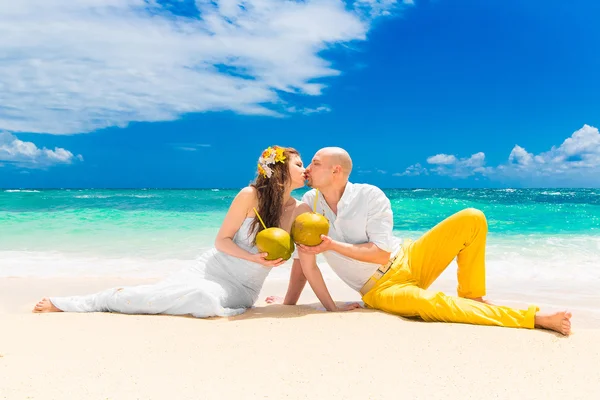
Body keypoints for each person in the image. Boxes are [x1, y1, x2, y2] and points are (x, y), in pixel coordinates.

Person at [268, 147, 572, 335]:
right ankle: (533, 318)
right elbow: (303, 259)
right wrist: (287, 305)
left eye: (316, 163)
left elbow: (381, 254)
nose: (308, 169)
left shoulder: (370, 195)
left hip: (410, 256)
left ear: (336, 171)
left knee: (472, 216)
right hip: (382, 289)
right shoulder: (310, 203)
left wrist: (331, 246)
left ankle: (473, 296)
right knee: (435, 306)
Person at [33, 146, 361, 317]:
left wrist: (328, 307)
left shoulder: (300, 210)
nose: (304, 170)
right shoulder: (250, 197)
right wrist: (254, 258)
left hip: (243, 289)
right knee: (172, 294)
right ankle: (92, 301)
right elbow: (221, 241)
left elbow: (306, 264)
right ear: (278, 170)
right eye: (298, 163)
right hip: (213, 267)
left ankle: (118, 298)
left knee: (202, 300)